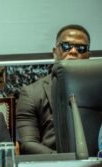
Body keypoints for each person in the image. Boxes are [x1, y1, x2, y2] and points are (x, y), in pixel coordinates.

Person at [16, 24, 91, 154]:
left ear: (88, 55)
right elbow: (28, 143)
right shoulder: (31, 93)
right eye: (66, 46)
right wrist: (63, 161)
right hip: (52, 164)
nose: (73, 51)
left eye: (81, 48)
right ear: (55, 52)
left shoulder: (98, 89)